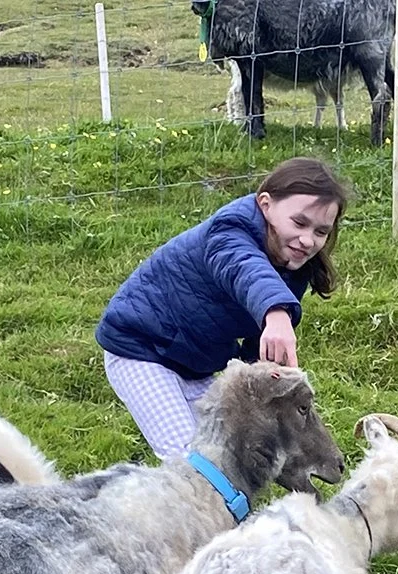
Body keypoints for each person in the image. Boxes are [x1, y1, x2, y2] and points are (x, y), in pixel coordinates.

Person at [95, 156, 350, 460]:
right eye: (299, 222)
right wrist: (277, 313)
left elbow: (258, 348)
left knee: (229, 453)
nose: (308, 240)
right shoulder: (230, 230)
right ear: (265, 204)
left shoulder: (294, 265)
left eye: (321, 232)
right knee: (191, 462)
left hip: (194, 362)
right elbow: (245, 268)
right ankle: (131, 505)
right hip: (140, 348)